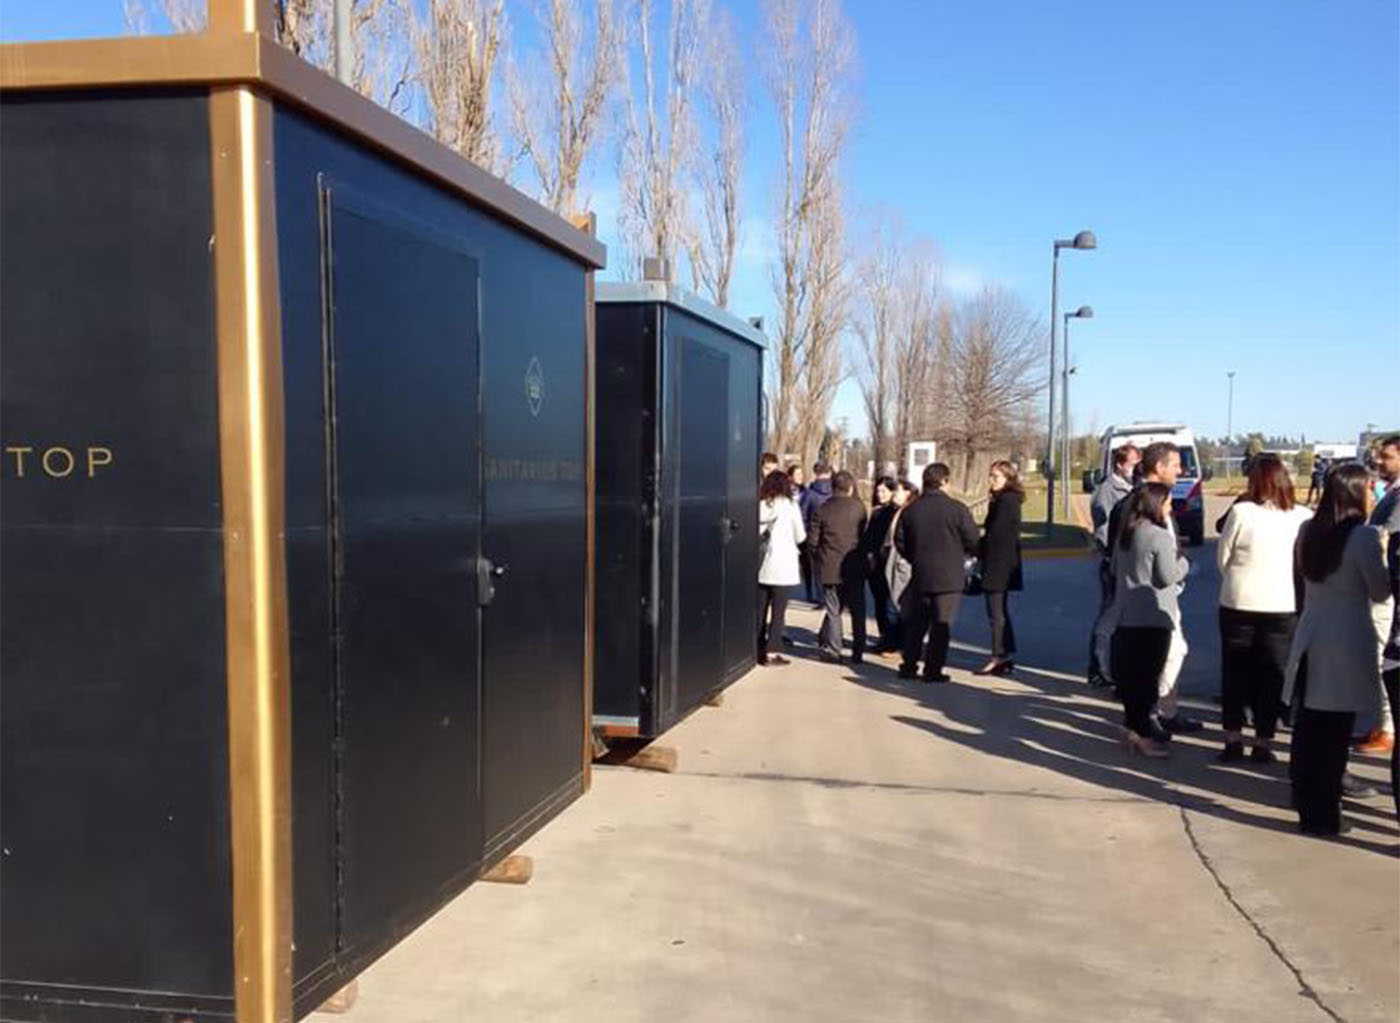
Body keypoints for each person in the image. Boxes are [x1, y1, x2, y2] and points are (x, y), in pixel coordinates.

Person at [1283, 464, 1390, 837]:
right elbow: (1379, 591)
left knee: (1310, 728)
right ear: (1355, 492)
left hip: (1312, 636)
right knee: (1333, 736)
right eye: (1368, 487)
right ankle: (1325, 815)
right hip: (1345, 643)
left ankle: (1307, 802)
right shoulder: (1361, 538)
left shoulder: (1308, 530)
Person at [1215, 454, 1312, 762]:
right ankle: (1264, 741)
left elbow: (1223, 557)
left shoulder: (1242, 512)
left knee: (1235, 671)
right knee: (1272, 675)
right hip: (1283, 605)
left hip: (1239, 601)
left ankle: (1232, 739)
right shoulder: (1302, 516)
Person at [1108, 441, 1201, 738]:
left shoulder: (1160, 502)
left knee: (1173, 652)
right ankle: (1148, 714)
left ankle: (1163, 711)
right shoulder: (1131, 504)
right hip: (1148, 602)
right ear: (1159, 467)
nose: (1180, 470)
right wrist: (1179, 564)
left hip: (1164, 596)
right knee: (1163, 657)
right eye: (1175, 464)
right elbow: (1117, 554)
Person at [1110, 483, 1187, 758]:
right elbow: (1167, 576)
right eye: (1167, 503)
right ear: (1156, 504)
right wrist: (1184, 563)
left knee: (1132, 681)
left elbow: (1114, 569)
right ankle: (1143, 735)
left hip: (1127, 615)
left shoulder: (1126, 535)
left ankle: (1132, 729)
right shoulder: (1159, 537)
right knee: (1148, 681)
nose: (1169, 508)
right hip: (1154, 617)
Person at [894, 463, 978, 682]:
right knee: (941, 626)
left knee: (917, 623)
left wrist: (915, 557)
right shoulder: (957, 509)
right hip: (950, 576)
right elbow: (973, 540)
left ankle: (909, 665)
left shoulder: (911, 510)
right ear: (945, 482)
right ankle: (933, 669)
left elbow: (899, 541)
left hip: (921, 573)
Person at [1363, 436, 1400, 802]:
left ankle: (1387, 728)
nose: (1380, 461)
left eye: (1387, 456)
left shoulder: (1398, 500)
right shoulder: (1390, 493)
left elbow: (1383, 540)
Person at [1087, 443, 1140, 687]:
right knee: (1108, 617)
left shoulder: (1133, 488)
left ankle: (1117, 668)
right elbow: (1102, 527)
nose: (1134, 468)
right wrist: (1110, 554)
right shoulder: (1108, 490)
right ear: (1119, 464)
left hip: (1128, 561)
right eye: (1131, 463)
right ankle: (1098, 669)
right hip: (1113, 561)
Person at [806, 471, 868, 664]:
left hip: (829, 566)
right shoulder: (859, 509)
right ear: (850, 488)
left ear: (833, 487)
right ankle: (858, 650)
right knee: (858, 609)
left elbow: (812, 541)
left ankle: (834, 649)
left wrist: (819, 557)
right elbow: (864, 537)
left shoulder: (823, 510)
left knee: (834, 609)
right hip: (855, 566)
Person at [976, 460, 1024, 676]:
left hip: (999, 564)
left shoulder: (1007, 501)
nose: (991, 480)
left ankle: (998, 655)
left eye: (996, 476)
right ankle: (1005, 652)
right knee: (1000, 610)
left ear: (1008, 479)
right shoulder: (1003, 499)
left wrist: (978, 547)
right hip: (1001, 562)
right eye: (991, 475)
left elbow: (996, 535)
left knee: (995, 613)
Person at [757, 470, 805, 667]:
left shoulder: (760, 505)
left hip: (762, 565)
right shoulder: (789, 506)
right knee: (778, 612)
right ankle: (772, 651)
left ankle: (757, 647)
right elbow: (800, 535)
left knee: (760, 610)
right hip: (783, 565)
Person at [862, 476, 900, 654]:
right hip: (874, 564)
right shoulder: (876, 512)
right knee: (879, 602)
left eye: (884, 491)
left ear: (892, 492)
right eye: (878, 491)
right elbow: (868, 537)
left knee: (889, 603)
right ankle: (883, 637)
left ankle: (892, 641)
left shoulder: (896, 512)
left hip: (889, 563)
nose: (880, 494)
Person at [881, 480, 920, 658]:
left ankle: (901, 646)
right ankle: (891, 642)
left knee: (897, 606)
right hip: (892, 560)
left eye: (898, 491)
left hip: (903, 563)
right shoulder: (896, 511)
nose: (895, 494)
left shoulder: (910, 513)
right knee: (891, 604)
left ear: (908, 493)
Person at [798, 462, 832, 605]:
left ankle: (816, 595)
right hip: (831, 534)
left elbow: (802, 515)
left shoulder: (809, 494)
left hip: (813, 535)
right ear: (829, 473)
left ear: (815, 473)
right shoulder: (835, 491)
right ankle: (830, 595)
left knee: (813, 567)